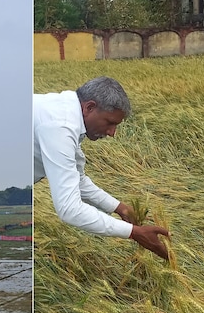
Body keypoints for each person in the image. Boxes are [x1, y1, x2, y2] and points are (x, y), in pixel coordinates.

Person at [34, 76, 171, 259]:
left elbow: (78, 179)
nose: (112, 133)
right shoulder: (61, 126)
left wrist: (120, 208)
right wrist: (134, 233)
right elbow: (69, 209)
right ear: (89, 107)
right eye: (110, 122)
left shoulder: (70, 112)